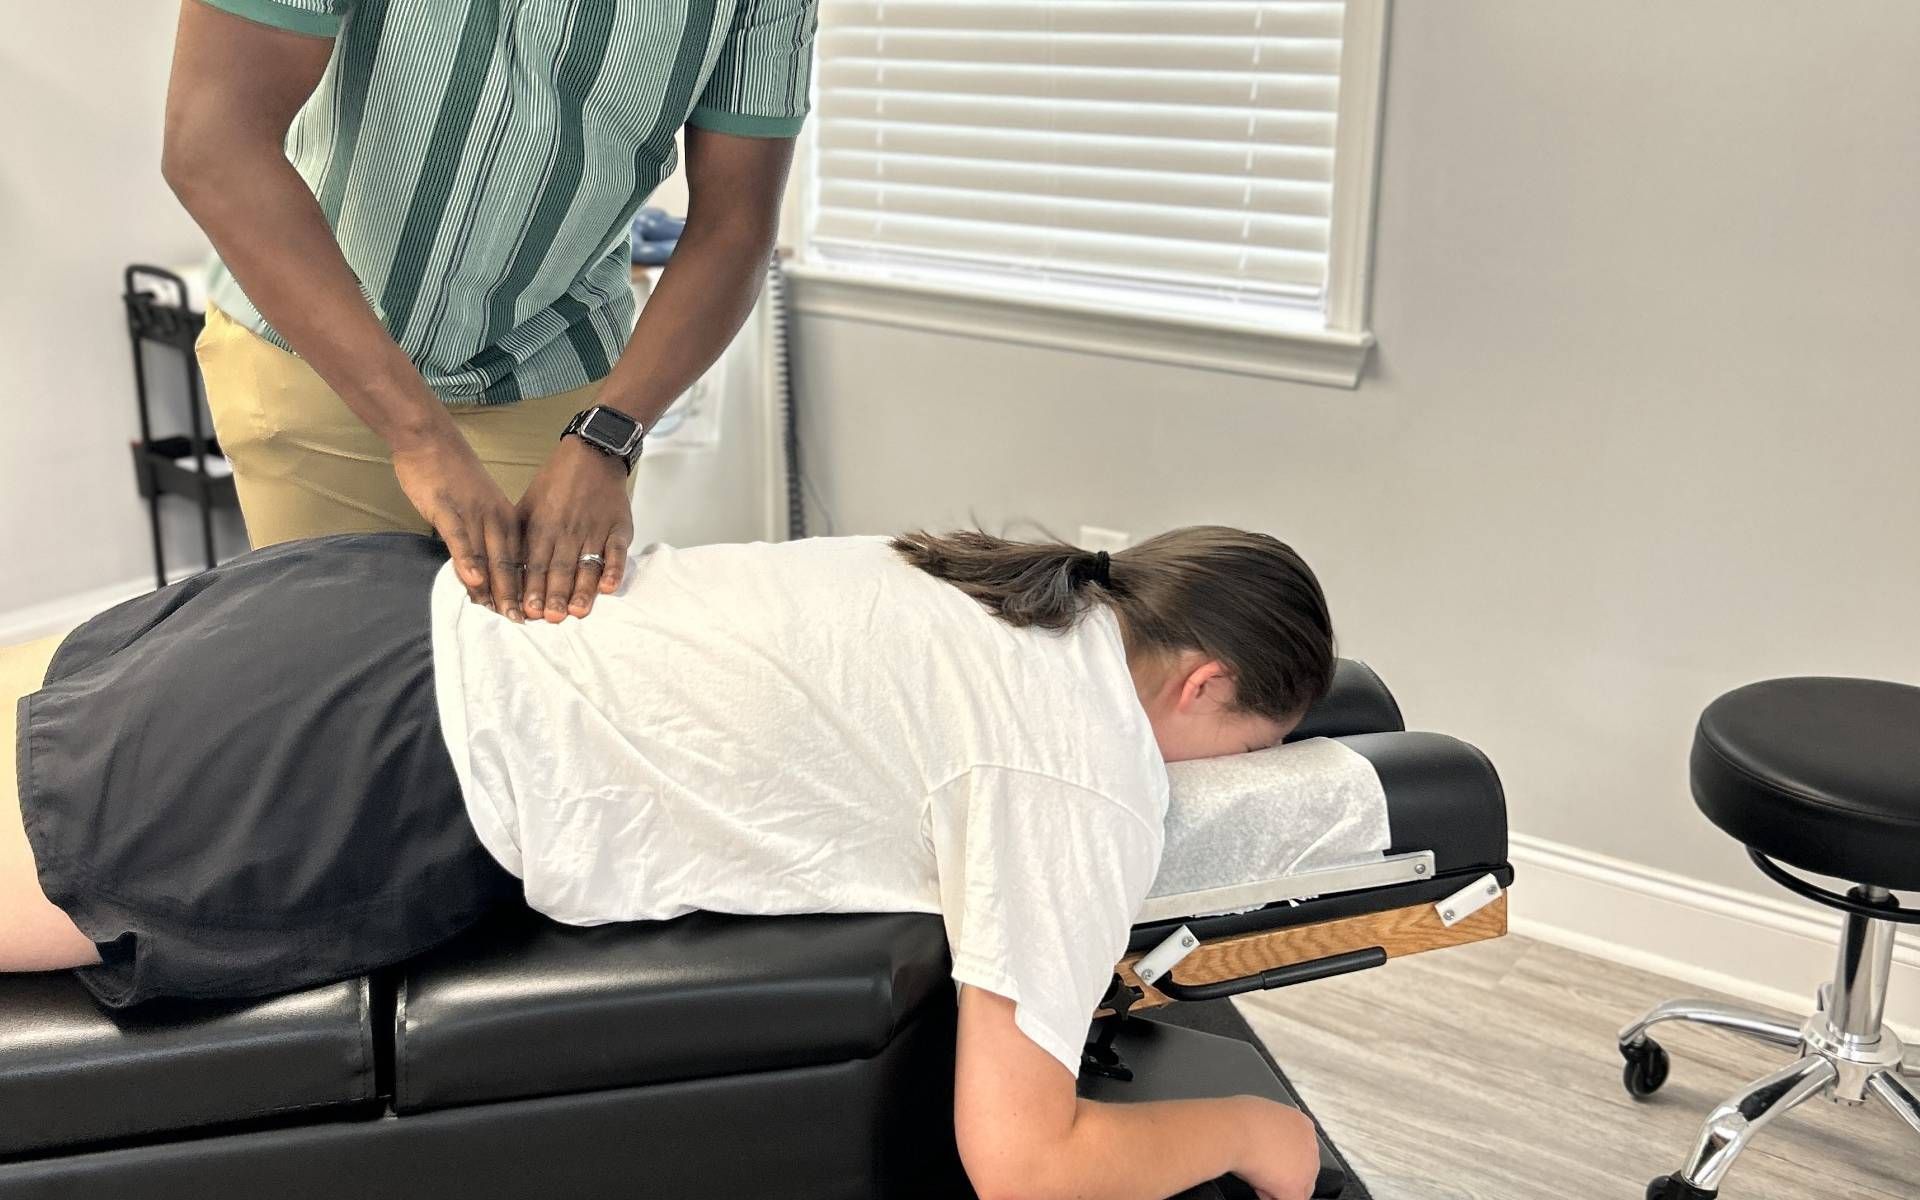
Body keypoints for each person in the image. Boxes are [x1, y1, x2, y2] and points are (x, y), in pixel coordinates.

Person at [3, 526, 1335, 1200]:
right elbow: (1023, 1164)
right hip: (363, 768)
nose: (1204, 784)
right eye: (1237, 750)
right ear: (1206, 679)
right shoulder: (1079, 761)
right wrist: (1262, 1135)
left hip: (352, 611)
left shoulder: (1006, 583)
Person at [163, 0, 815, 624]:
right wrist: (419, 434)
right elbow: (211, 143)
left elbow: (735, 224)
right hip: (319, 351)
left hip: (562, 375)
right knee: (346, 695)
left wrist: (607, 437)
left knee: (538, 695)